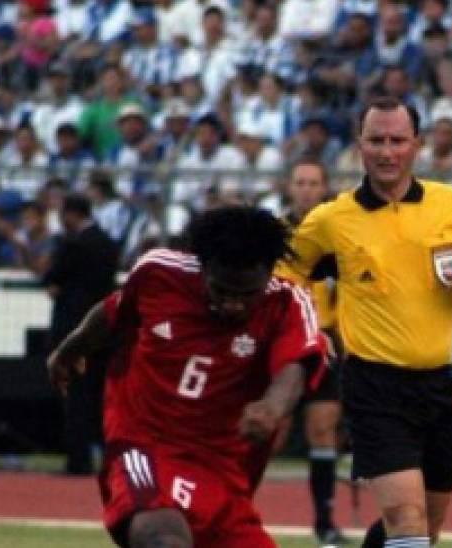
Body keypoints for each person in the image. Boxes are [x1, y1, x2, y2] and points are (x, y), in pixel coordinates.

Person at [280, 96, 452, 547]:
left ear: (417, 146)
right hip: (375, 386)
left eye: (397, 141)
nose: (387, 152)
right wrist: (310, 329)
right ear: (359, 146)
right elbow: (285, 274)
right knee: (407, 519)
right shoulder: (331, 219)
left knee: (426, 530)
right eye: (376, 140)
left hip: (448, 385)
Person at [46, 207, 328, 547]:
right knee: (163, 538)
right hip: (144, 442)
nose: (233, 306)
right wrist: (70, 349)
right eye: (222, 291)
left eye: (246, 295)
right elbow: (113, 311)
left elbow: (295, 364)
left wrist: (272, 406)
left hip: (223, 469)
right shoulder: (158, 273)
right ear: (203, 267)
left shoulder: (289, 303)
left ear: (269, 273)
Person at [284, 159, 345, 545]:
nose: (306, 189)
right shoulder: (274, 233)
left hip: (324, 339)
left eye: (313, 182)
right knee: (263, 432)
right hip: (282, 339)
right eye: (300, 182)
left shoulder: (338, 231)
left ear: (324, 188)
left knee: (323, 430)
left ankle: (324, 523)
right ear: (290, 187)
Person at [43, 193, 120, 475]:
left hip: (74, 330)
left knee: (76, 397)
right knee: (103, 396)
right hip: (106, 331)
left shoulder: (72, 244)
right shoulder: (108, 244)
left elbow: (51, 278)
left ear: (71, 214)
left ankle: (79, 460)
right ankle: (110, 458)